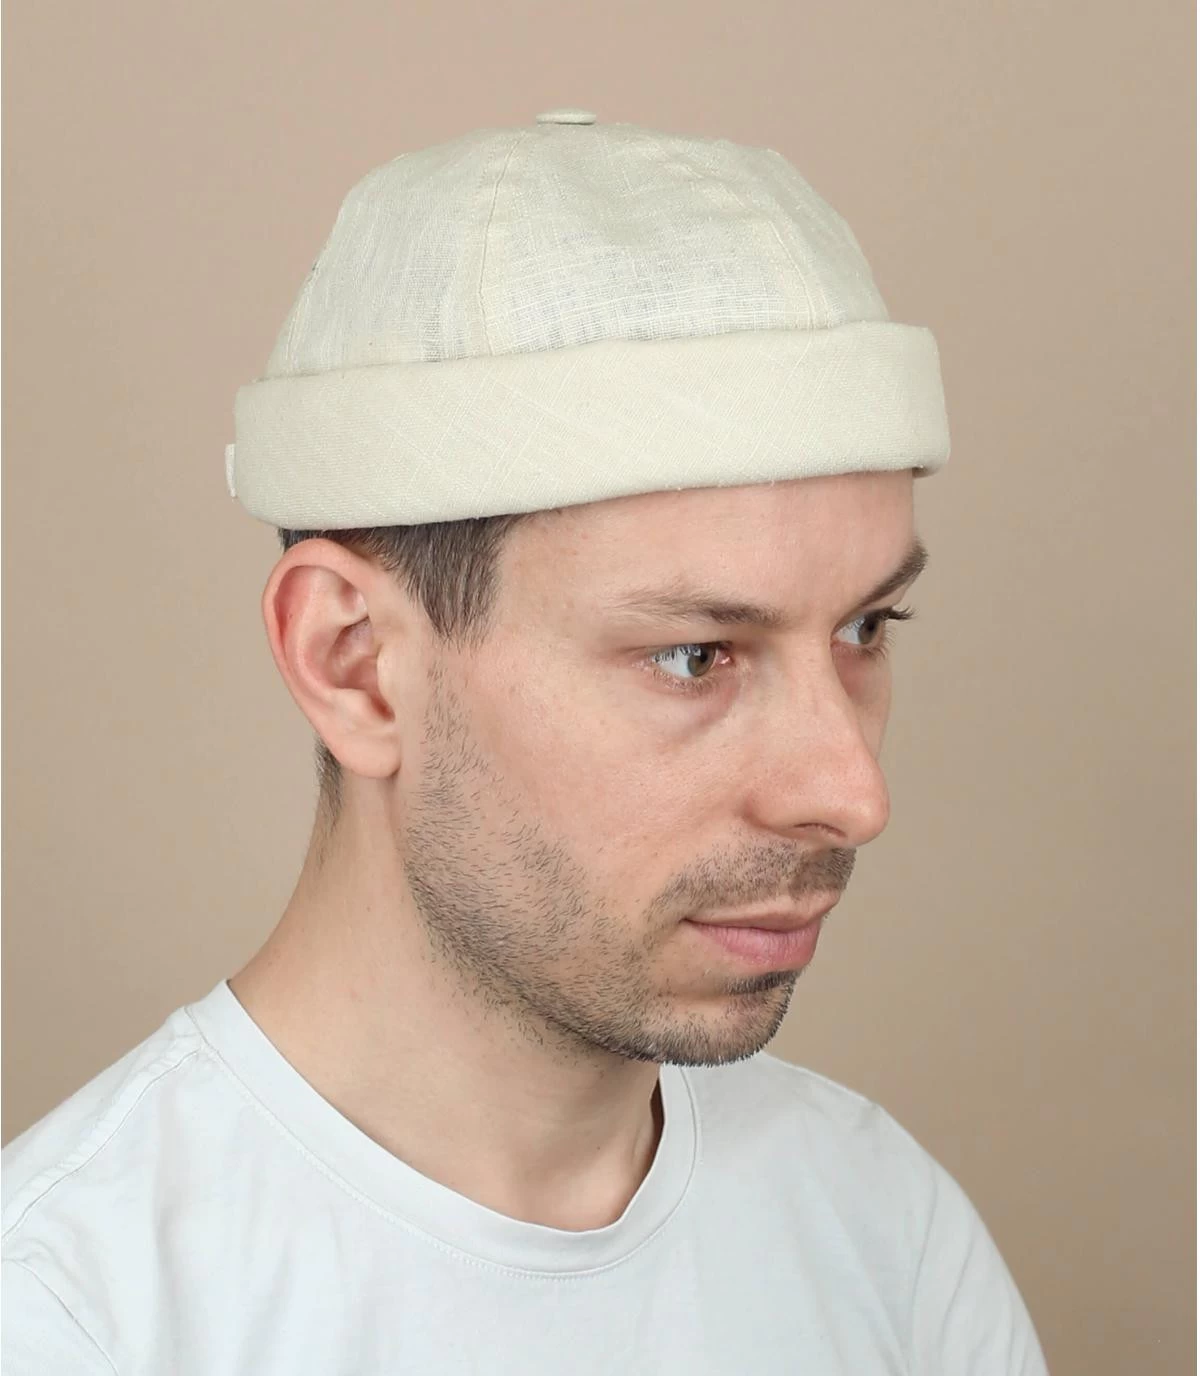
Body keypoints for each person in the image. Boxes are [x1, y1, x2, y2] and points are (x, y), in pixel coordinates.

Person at [2, 110, 1050, 1374]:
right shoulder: (70, 1315)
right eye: (695, 654)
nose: (851, 790)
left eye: (866, 627)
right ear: (355, 663)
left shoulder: (887, 1233)